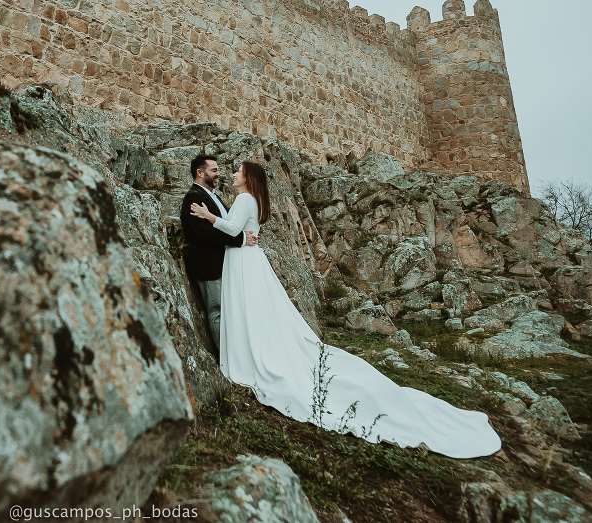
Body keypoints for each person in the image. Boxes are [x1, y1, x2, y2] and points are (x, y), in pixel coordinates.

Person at [190, 161, 501, 459]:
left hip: (244, 262)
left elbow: (231, 230)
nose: (232, 174)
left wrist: (207, 215)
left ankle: (251, 358)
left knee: (248, 309)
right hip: (248, 258)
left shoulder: (244, 198)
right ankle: (255, 351)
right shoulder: (251, 199)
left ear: (249, 178)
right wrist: (241, 234)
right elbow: (241, 233)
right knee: (254, 311)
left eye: (238, 172)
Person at [180, 155, 258, 353]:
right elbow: (206, 232)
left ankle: (238, 354)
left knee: (231, 311)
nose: (218, 173)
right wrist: (241, 239)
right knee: (217, 311)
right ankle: (226, 359)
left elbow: (226, 226)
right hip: (209, 265)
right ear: (200, 173)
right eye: (214, 170)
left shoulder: (213, 196)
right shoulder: (193, 197)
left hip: (223, 263)